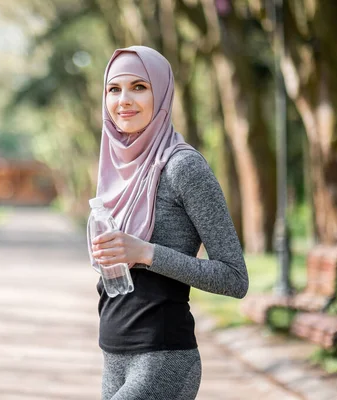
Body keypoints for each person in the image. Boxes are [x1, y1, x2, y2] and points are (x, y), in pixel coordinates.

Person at [87, 46, 248, 399]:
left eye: (139, 87)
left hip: (163, 357)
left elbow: (235, 278)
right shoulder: (114, 169)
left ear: (161, 93)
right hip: (113, 354)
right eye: (114, 89)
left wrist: (147, 252)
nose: (124, 100)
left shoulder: (182, 167)